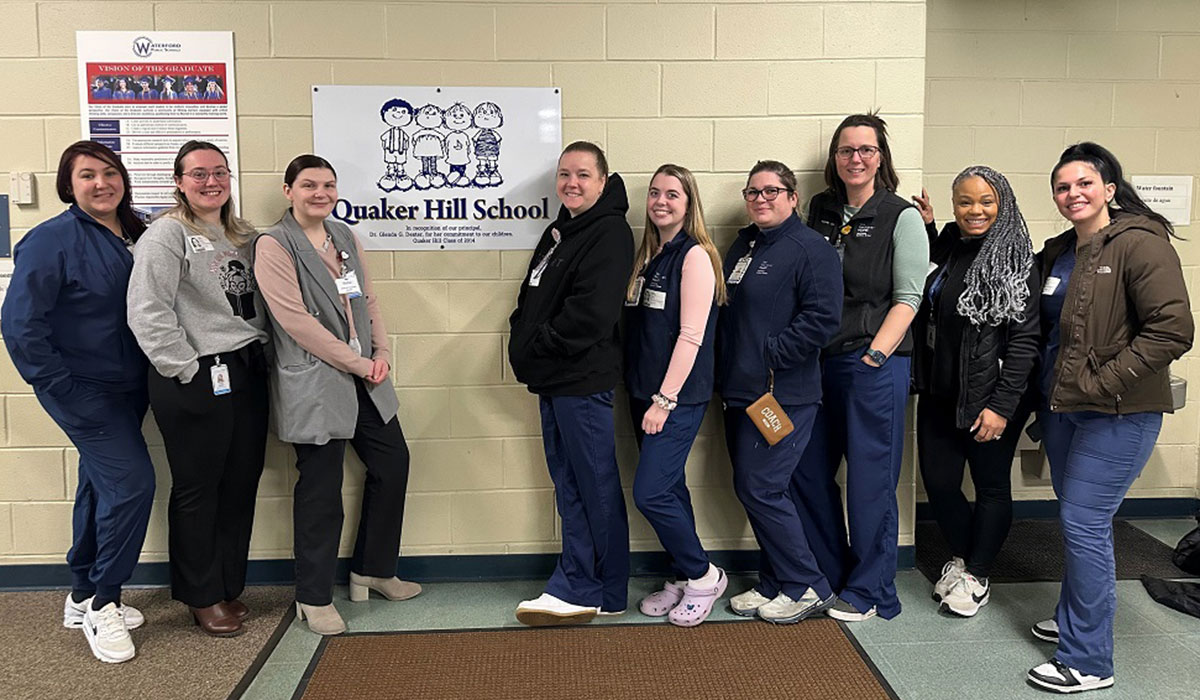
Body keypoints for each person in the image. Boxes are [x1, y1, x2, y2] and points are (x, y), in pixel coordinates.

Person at [1025, 143, 1192, 694]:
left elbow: (1171, 330)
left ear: (1109, 188)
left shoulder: (1140, 244)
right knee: (1076, 520)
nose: (1072, 193)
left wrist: (1103, 383)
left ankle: (1089, 660)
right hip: (1067, 409)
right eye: (1062, 186)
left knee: (1084, 523)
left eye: (1083, 183)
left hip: (1119, 412)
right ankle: (1078, 619)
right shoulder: (1061, 251)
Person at [1, 141, 152, 664]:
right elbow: (19, 324)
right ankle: (105, 602)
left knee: (100, 483)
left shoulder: (137, 233)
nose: (101, 183)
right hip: (83, 390)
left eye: (110, 173)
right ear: (70, 185)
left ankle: (82, 591)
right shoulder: (50, 240)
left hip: (131, 385)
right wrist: (59, 386)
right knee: (133, 485)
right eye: (87, 175)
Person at [255, 155, 419, 636]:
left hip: (367, 373)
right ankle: (314, 596)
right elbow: (297, 323)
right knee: (321, 489)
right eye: (308, 185)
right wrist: (359, 363)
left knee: (393, 464)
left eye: (328, 185)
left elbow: (367, 300)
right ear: (289, 191)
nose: (320, 193)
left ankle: (373, 568)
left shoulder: (344, 236)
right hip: (318, 379)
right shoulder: (274, 244)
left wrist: (382, 350)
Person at [126, 141, 269, 637]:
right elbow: (147, 310)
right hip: (195, 373)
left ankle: (228, 584)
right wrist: (184, 367)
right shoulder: (167, 233)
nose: (211, 181)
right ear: (180, 182)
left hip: (247, 369)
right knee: (198, 488)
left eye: (220, 172)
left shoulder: (241, 235)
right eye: (199, 174)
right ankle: (201, 596)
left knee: (240, 481)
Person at [798, 113, 930, 622]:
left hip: (874, 363)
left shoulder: (901, 216)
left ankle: (873, 590)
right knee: (807, 472)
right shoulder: (821, 210)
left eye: (866, 150)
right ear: (835, 159)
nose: (856, 159)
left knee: (871, 481)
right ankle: (831, 573)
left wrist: (876, 353)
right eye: (846, 150)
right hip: (818, 364)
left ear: (881, 158)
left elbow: (909, 296)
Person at [508, 141, 634, 626]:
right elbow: (532, 295)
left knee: (593, 483)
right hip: (555, 381)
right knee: (571, 484)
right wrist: (524, 332)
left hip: (581, 381)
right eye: (564, 174)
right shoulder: (562, 231)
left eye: (583, 174)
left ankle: (596, 585)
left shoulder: (608, 233)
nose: (572, 183)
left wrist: (538, 344)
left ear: (603, 181)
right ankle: (583, 581)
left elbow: (592, 315)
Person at [718, 160, 844, 624]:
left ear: (792, 197)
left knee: (762, 486)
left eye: (772, 190)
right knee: (756, 488)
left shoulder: (811, 249)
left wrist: (770, 354)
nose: (761, 199)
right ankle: (774, 582)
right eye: (753, 192)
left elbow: (823, 318)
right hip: (740, 391)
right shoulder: (744, 245)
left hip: (782, 393)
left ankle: (807, 584)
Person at [910, 165, 1039, 618]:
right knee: (940, 484)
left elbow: (1025, 342)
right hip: (940, 392)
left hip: (992, 398)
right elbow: (930, 283)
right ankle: (964, 561)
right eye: (965, 201)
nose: (975, 210)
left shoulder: (1019, 260)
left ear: (1002, 203)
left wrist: (1002, 407)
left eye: (986, 201)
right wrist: (926, 226)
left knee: (990, 487)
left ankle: (978, 573)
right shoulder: (949, 243)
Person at [624, 164, 726, 627]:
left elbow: (691, 337)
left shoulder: (694, 256)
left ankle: (705, 576)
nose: (661, 201)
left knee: (650, 493)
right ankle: (686, 572)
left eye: (672, 194)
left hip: (675, 399)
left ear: (689, 204)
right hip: (644, 394)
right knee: (670, 487)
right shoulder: (652, 255)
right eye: (654, 193)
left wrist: (664, 400)